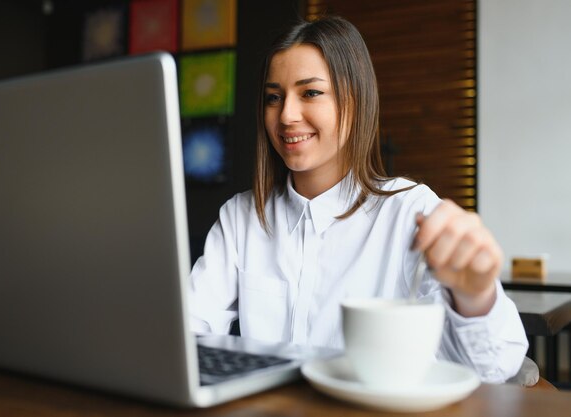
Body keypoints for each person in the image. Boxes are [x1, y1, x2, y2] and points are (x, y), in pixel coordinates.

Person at [188, 15, 528, 383]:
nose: (286, 115)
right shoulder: (242, 216)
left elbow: (496, 369)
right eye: (274, 97)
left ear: (354, 101)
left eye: (310, 93)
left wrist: (474, 297)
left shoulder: (410, 212)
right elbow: (188, 328)